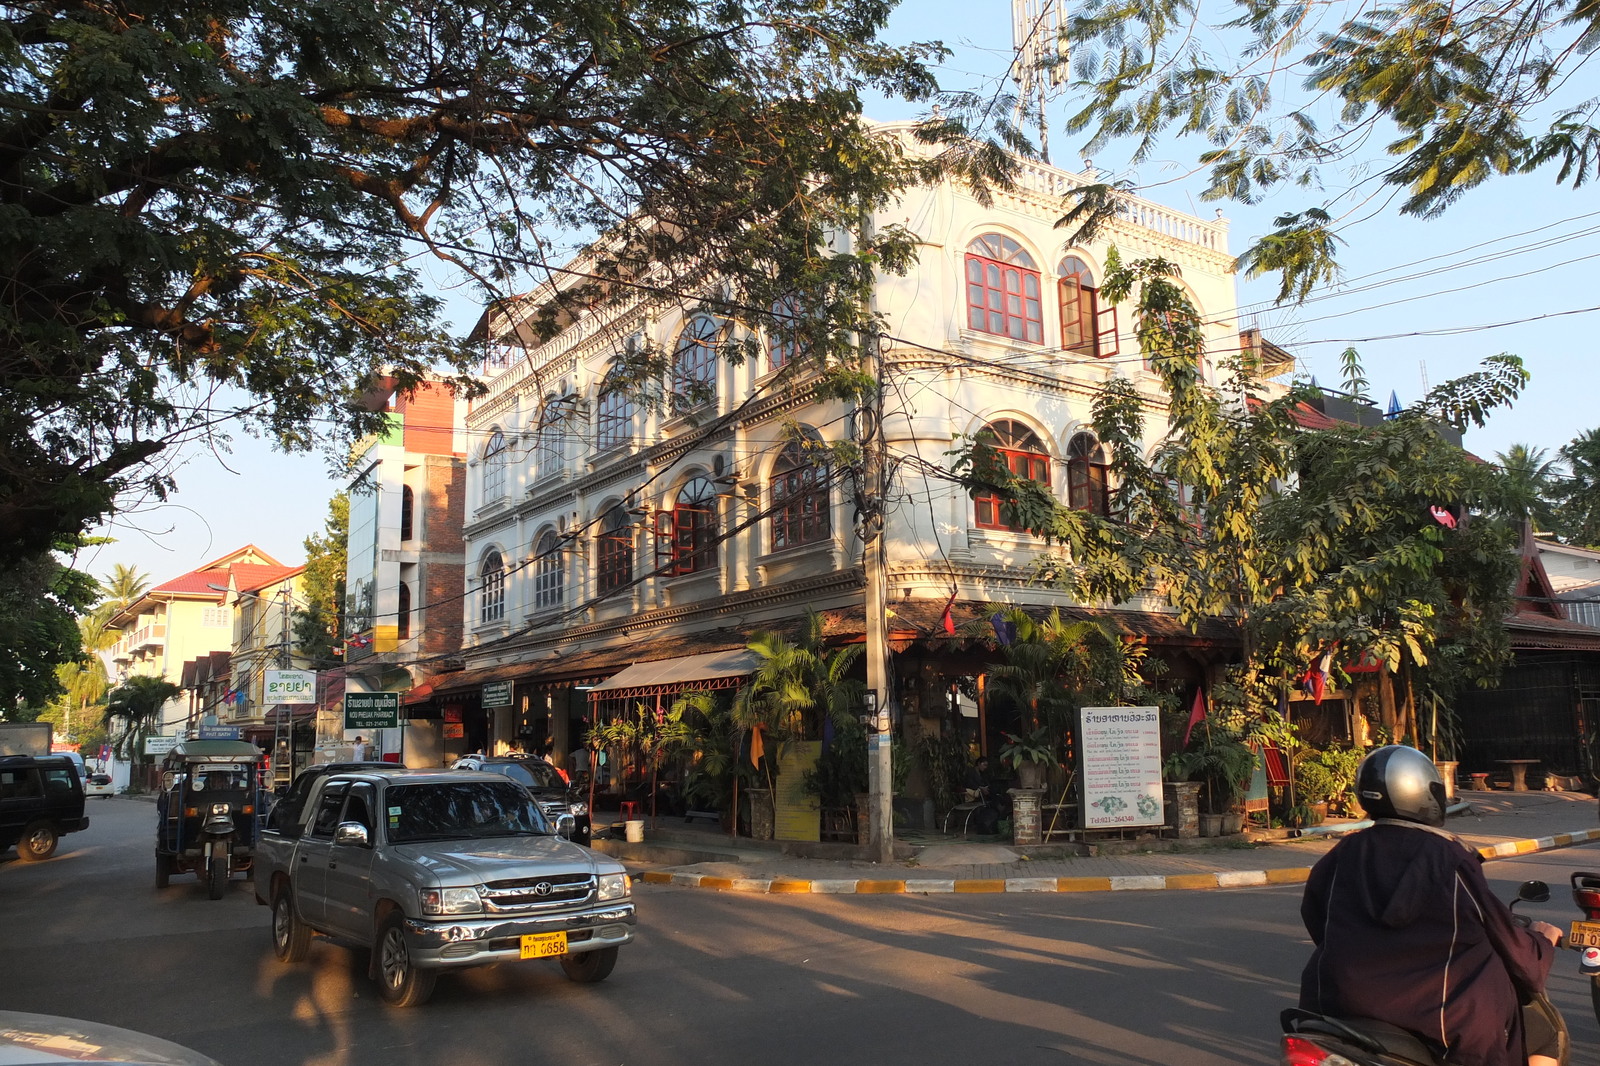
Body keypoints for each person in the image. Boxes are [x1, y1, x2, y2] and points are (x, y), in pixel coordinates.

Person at [1298, 745, 1562, 1066]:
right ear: (1425, 792)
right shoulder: (1451, 857)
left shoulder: (1343, 852)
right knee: (1543, 1034)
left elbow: (1315, 916)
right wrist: (1540, 943)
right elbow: (1499, 929)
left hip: (1340, 1002)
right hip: (1438, 1014)